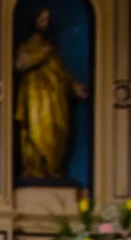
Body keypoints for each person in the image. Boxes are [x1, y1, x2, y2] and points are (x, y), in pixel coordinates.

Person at [15, 8, 88, 180]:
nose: (45, 23)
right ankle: (35, 169)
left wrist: (75, 86)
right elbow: (20, 64)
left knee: (58, 132)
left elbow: (61, 73)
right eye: (42, 19)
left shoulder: (52, 51)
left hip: (56, 99)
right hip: (35, 98)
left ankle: (53, 169)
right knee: (37, 134)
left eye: (47, 20)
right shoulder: (27, 46)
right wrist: (42, 53)